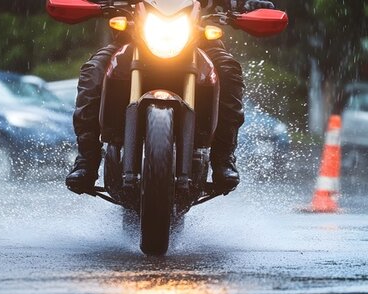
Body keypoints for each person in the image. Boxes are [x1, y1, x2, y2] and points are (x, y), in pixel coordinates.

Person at [66, 0, 276, 194]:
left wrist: (244, 3)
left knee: (229, 71)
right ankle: (87, 160)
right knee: (93, 71)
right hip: (132, 37)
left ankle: (223, 159)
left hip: (199, 41)